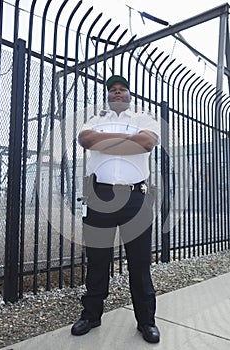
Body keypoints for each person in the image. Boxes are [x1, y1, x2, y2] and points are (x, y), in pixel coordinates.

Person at [71, 75, 161, 344]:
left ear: (130, 95)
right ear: (108, 95)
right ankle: (91, 315)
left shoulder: (144, 119)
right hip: (100, 196)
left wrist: (105, 141)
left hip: (136, 197)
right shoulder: (95, 120)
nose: (118, 93)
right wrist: (126, 140)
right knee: (97, 260)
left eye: (122, 90)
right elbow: (86, 139)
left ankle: (146, 321)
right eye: (113, 90)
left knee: (140, 262)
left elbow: (146, 142)